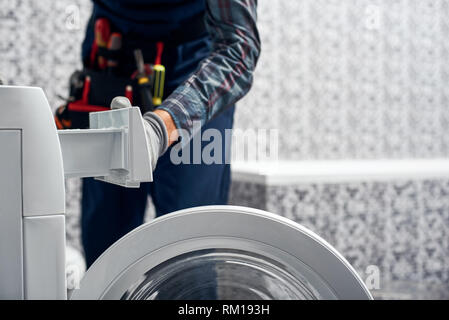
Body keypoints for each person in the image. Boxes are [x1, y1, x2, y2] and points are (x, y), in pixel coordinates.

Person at [80, 0, 260, 269]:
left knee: (191, 250)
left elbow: (238, 50)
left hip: (196, 67)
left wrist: (162, 127)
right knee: (105, 254)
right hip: (113, 60)